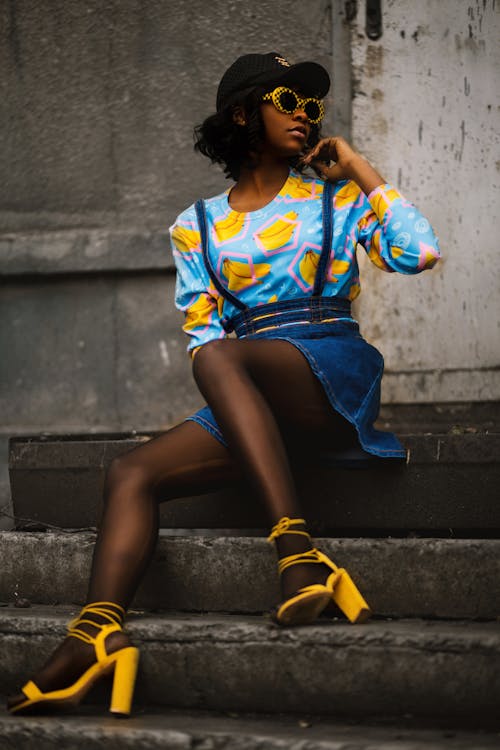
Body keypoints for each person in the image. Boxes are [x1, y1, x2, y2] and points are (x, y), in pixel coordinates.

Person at [8, 51, 440, 717]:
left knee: (219, 360)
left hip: (327, 369)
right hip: (247, 387)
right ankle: (95, 635)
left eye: (311, 105)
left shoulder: (336, 199)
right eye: (287, 101)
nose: (305, 116)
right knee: (130, 473)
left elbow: (420, 252)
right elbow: (203, 329)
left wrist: (355, 165)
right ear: (243, 113)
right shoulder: (197, 226)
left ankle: (296, 550)